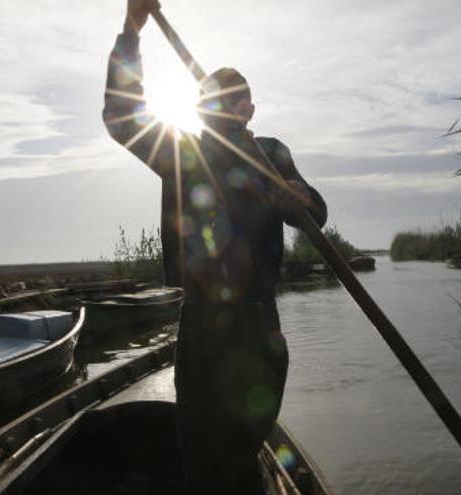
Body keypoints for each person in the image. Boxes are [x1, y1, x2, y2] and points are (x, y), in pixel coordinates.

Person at [103, 1, 328, 493]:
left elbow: (313, 213)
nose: (231, 107)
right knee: (203, 454)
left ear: (251, 109)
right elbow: (122, 118)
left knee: (244, 443)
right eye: (221, 99)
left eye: (241, 100)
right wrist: (132, 31)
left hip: (259, 324)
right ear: (202, 108)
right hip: (202, 323)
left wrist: (299, 197)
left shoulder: (269, 152)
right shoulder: (182, 153)